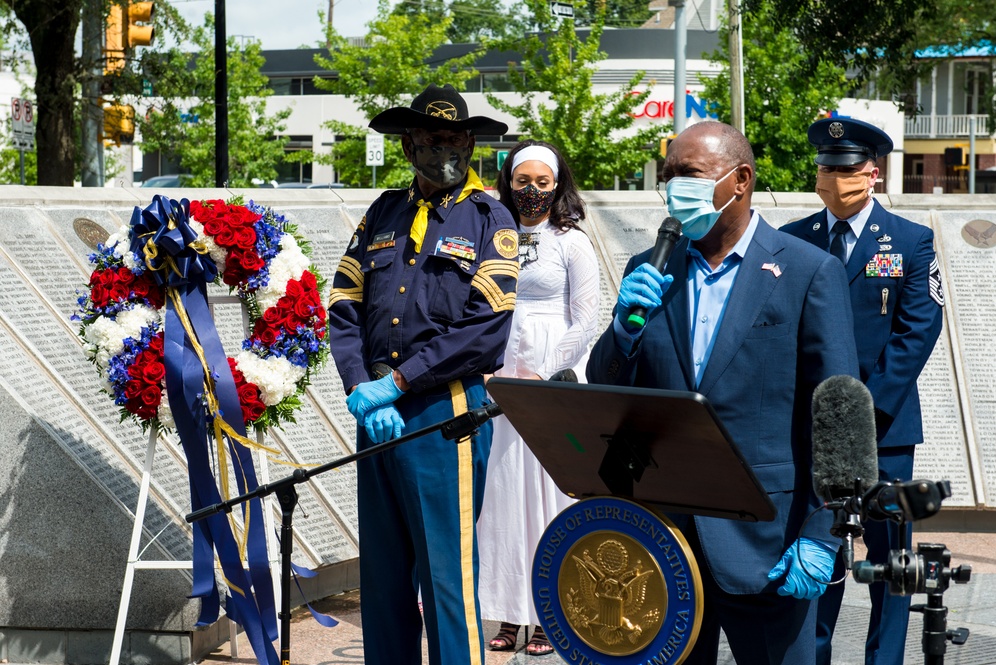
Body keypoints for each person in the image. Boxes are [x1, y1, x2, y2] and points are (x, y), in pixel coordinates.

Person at [586, 120, 860, 665]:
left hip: (767, 543)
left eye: (688, 174)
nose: (673, 188)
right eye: (668, 176)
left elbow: (839, 419)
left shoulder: (808, 271)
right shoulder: (651, 269)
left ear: (740, 180)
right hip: (663, 543)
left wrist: (823, 533)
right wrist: (623, 332)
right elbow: (607, 384)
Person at [326, 83, 519, 665]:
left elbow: (488, 328)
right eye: (432, 139)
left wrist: (400, 382)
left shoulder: (491, 218)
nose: (446, 150)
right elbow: (344, 305)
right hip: (376, 416)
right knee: (382, 581)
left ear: (471, 143)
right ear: (409, 145)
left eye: (456, 138)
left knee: (445, 578)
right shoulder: (383, 211)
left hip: (444, 416)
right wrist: (362, 386)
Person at [781, 117, 944, 665]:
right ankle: (813, 655)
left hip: (885, 427)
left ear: (872, 173)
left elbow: (918, 330)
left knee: (891, 561)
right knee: (816, 552)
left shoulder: (910, 241)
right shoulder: (792, 241)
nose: (832, 177)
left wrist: (862, 413)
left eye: (845, 168)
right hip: (811, 429)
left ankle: (885, 660)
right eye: (825, 168)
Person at [477, 140, 601, 656]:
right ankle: (509, 612)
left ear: (557, 185)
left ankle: (553, 611)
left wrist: (546, 372)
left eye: (542, 182)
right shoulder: (494, 235)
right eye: (521, 181)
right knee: (503, 496)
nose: (531, 191)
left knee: (550, 497)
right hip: (500, 376)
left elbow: (587, 316)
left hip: (551, 382)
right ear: (508, 181)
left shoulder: (572, 242)